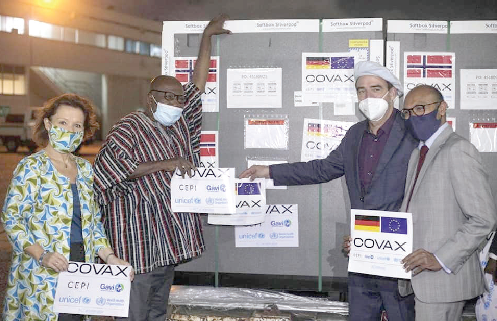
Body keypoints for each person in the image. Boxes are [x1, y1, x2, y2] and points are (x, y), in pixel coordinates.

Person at [240, 61, 417, 321]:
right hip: (362, 251)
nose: (368, 97)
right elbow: (322, 169)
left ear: (393, 93)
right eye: (361, 91)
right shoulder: (355, 134)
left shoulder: (412, 131)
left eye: (376, 89)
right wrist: (268, 171)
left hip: (401, 254)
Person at [92, 15, 230, 321]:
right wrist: (169, 163)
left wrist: (206, 37)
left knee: (157, 312)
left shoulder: (180, 124)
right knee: (133, 313)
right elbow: (115, 169)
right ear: (150, 99)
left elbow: (197, 84)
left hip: (165, 244)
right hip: (135, 246)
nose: (175, 103)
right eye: (168, 97)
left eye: (178, 99)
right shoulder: (128, 126)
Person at [1, 93, 132, 321]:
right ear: (48, 124)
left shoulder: (84, 169)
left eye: (76, 125)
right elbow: (11, 220)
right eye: (63, 123)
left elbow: (93, 224)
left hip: (82, 267)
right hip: (41, 271)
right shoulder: (32, 168)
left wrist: (109, 257)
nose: (70, 130)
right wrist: (42, 255)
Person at [398, 85, 497, 321]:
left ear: (441, 108)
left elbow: (484, 219)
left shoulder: (458, 150)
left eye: (420, 108)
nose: (413, 117)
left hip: (443, 280)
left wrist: (440, 258)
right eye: (407, 112)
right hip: (420, 279)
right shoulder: (418, 153)